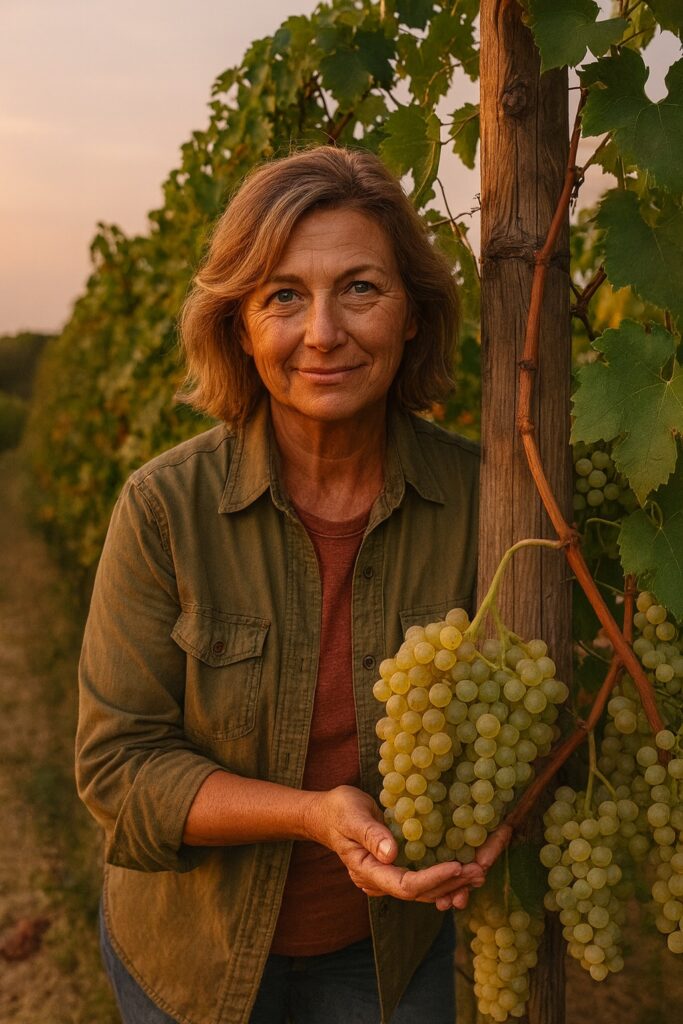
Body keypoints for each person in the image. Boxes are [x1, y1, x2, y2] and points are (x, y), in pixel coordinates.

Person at [76, 146, 505, 1024]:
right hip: (192, 955)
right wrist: (311, 814)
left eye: (359, 288)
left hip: (389, 951)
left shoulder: (485, 501)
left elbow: (528, 714)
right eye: (283, 296)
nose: (322, 333)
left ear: (413, 315)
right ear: (238, 325)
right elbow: (119, 769)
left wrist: (506, 814)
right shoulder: (164, 508)